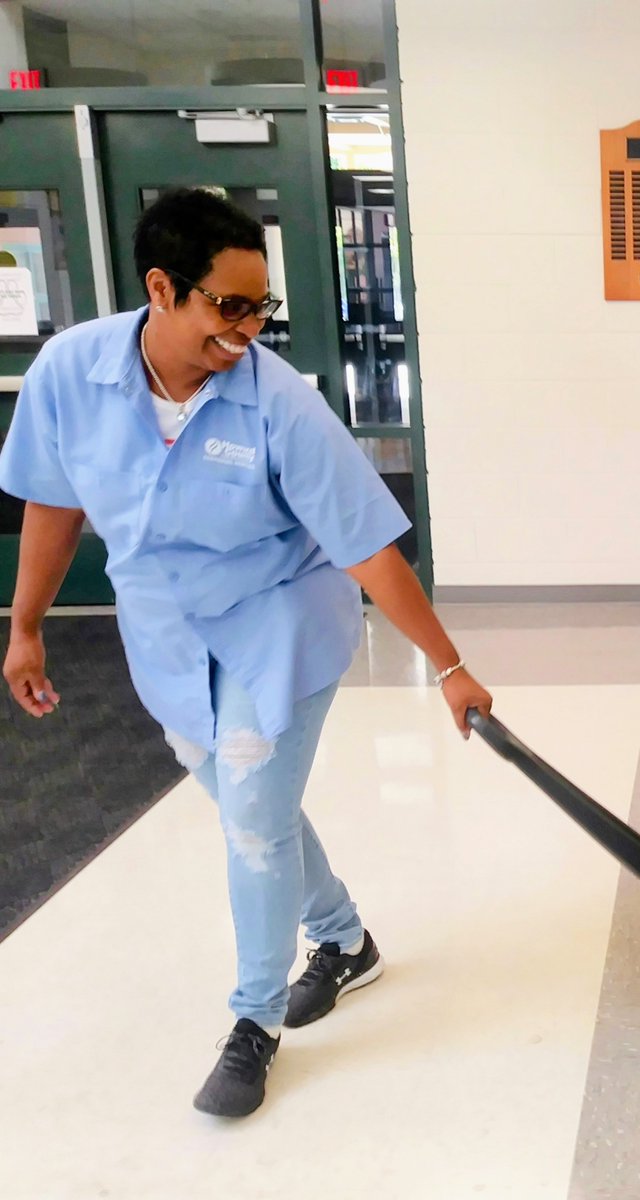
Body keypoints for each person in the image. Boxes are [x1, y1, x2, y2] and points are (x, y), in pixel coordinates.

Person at [0, 187, 492, 1119]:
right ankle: (344, 940)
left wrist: (450, 666)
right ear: (162, 289)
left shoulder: (277, 403)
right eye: (229, 305)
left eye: (261, 305)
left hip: (281, 623)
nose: (249, 326)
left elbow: (366, 549)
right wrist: (26, 625)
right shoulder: (72, 373)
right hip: (165, 635)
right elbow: (53, 504)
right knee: (243, 802)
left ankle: (254, 1023)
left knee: (255, 818)